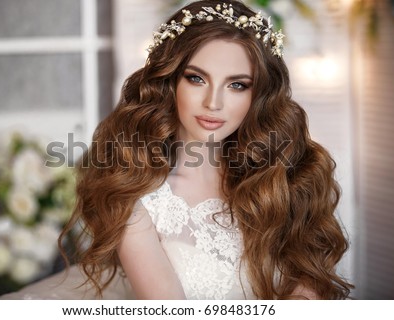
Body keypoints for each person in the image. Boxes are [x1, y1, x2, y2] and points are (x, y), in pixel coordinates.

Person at [58, 0, 354, 300]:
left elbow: (309, 289)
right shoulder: (135, 198)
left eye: (237, 85)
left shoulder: (287, 175)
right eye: (196, 78)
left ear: (260, 95)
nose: (214, 102)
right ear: (169, 81)